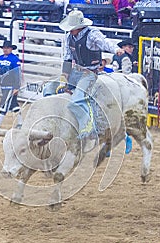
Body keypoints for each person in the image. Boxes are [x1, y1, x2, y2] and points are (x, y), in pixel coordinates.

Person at [58, 9, 123, 152]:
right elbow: (68, 57)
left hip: (90, 72)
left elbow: (105, 42)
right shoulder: (70, 38)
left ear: (77, 27)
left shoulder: (92, 34)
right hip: (77, 71)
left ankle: (88, 128)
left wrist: (115, 49)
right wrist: (64, 75)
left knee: (77, 100)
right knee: (50, 90)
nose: (70, 31)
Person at [0, 40, 23, 130]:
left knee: (5, 104)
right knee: (13, 105)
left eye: (7, 48)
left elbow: (17, 73)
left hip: (10, 85)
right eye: (4, 48)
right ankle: (20, 123)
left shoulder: (14, 59)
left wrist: (16, 87)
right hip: (3, 85)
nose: (5, 49)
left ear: (11, 49)